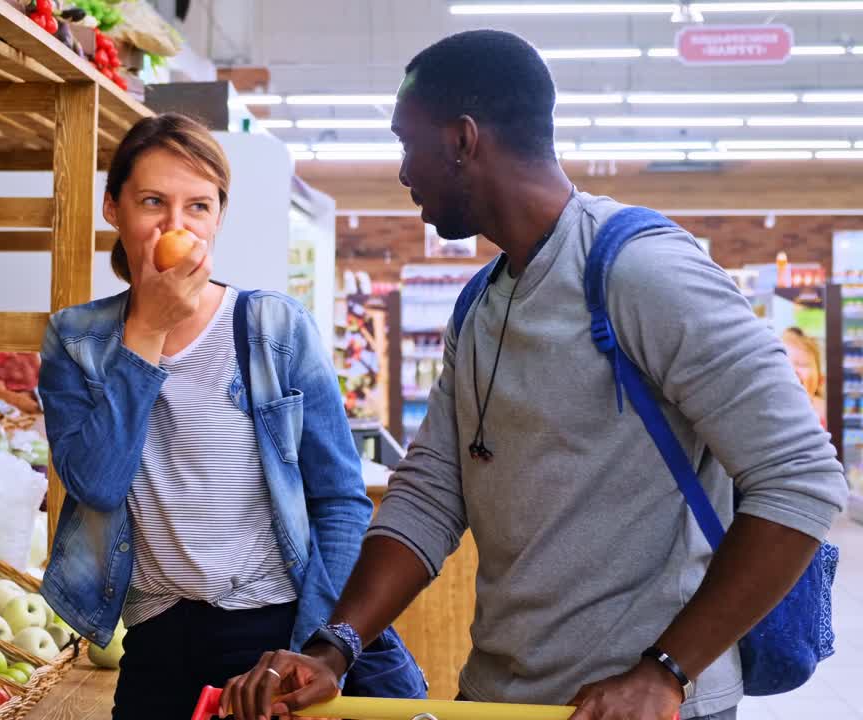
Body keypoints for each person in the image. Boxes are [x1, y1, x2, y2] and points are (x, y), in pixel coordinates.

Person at [223, 30, 848, 720]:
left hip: (645, 708)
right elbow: (432, 494)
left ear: (463, 140)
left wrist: (665, 672)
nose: (403, 173)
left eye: (408, 145)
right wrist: (334, 646)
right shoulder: (482, 303)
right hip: (500, 698)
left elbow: (800, 476)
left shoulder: (642, 272)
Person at [36, 113, 425, 719]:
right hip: (157, 635)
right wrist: (146, 332)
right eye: (152, 202)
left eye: (198, 206)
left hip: (272, 630)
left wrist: (315, 646)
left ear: (218, 217)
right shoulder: (77, 340)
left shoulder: (274, 328)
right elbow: (97, 483)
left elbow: (341, 499)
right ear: (113, 208)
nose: (175, 225)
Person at [782, 327, 828, 429]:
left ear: (820, 380)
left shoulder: (826, 413)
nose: (792, 370)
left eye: (802, 364)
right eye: (785, 364)